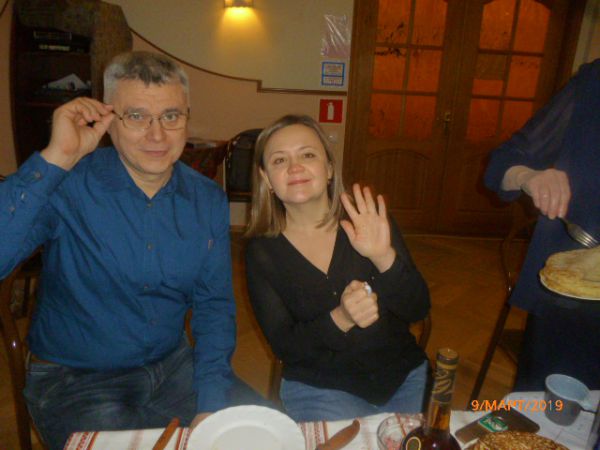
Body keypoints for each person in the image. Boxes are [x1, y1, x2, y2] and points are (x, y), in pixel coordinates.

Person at [0, 51, 263, 449]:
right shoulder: (68, 182)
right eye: (137, 116)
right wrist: (58, 156)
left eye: (171, 116)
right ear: (108, 119)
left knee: (268, 436)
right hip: (76, 381)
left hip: (174, 369)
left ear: (187, 117)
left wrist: (211, 402)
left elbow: (214, 306)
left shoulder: (206, 198)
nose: (157, 135)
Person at [244, 115, 431, 422]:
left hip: (402, 378)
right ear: (266, 179)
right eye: (279, 160)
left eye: (307, 154)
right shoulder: (262, 252)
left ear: (329, 168)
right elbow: (285, 346)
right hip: (321, 387)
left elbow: (417, 308)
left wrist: (383, 257)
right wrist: (341, 318)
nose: (295, 167)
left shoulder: (367, 221)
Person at [484, 58, 600, 391]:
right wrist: (529, 176)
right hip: (574, 304)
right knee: (549, 410)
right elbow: (502, 162)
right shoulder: (594, 84)